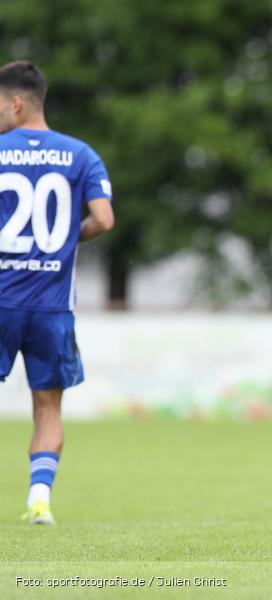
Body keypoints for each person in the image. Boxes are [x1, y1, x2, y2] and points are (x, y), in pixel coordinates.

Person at [0, 61, 115, 525]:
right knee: (47, 407)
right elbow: (105, 220)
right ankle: (39, 500)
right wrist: (69, 238)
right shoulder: (80, 154)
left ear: (17, 102)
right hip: (52, 308)